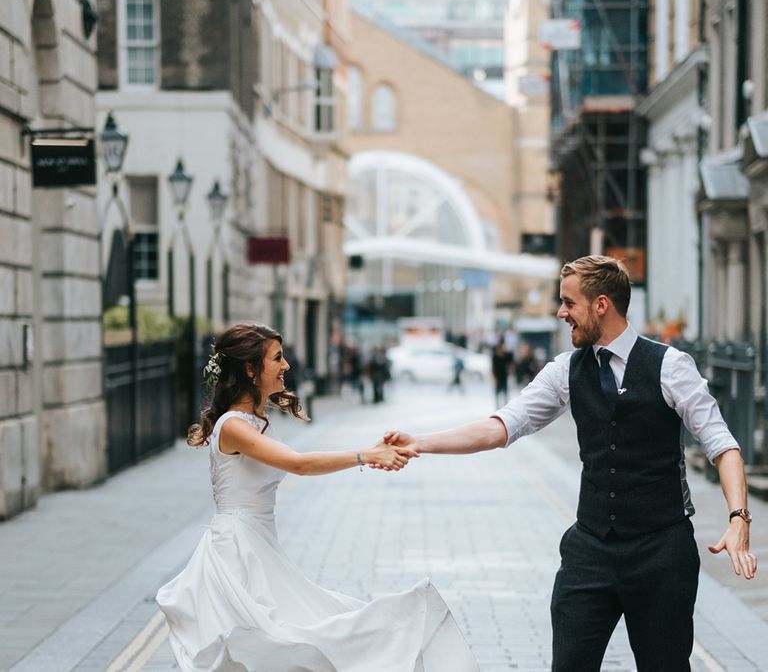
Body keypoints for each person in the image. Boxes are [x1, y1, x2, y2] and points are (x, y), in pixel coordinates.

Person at [380, 256, 757, 672]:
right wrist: (422, 443)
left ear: (600, 305)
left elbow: (723, 444)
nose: (561, 313)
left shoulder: (671, 366)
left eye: (568, 303)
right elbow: (503, 425)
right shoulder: (565, 371)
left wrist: (738, 517)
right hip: (590, 551)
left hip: (661, 552)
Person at [156, 323, 478, 672]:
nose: (286, 366)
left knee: (278, 644)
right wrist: (366, 455)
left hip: (259, 543)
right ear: (250, 370)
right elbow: (299, 464)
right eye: (277, 358)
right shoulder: (234, 425)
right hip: (236, 550)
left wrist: (370, 451)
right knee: (267, 643)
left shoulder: (254, 422)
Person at [491, 338, 513, 405]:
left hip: (504, 376)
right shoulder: (495, 356)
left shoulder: (506, 355)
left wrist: (510, 370)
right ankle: (497, 406)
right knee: (497, 393)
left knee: (505, 392)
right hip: (498, 376)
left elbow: (511, 361)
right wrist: (493, 377)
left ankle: (505, 405)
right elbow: (493, 367)